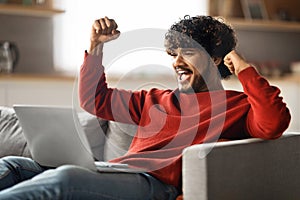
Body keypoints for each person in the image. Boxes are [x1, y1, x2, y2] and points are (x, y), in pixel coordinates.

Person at [0, 15, 291, 200]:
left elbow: (274, 122)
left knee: (65, 178)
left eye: (187, 52)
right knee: (12, 165)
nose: (177, 61)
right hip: (116, 172)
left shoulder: (237, 106)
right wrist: (96, 47)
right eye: (173, 54)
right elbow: (94, 100)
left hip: (154, 186)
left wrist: (243, 69)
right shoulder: (152, 98)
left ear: (216, 59)